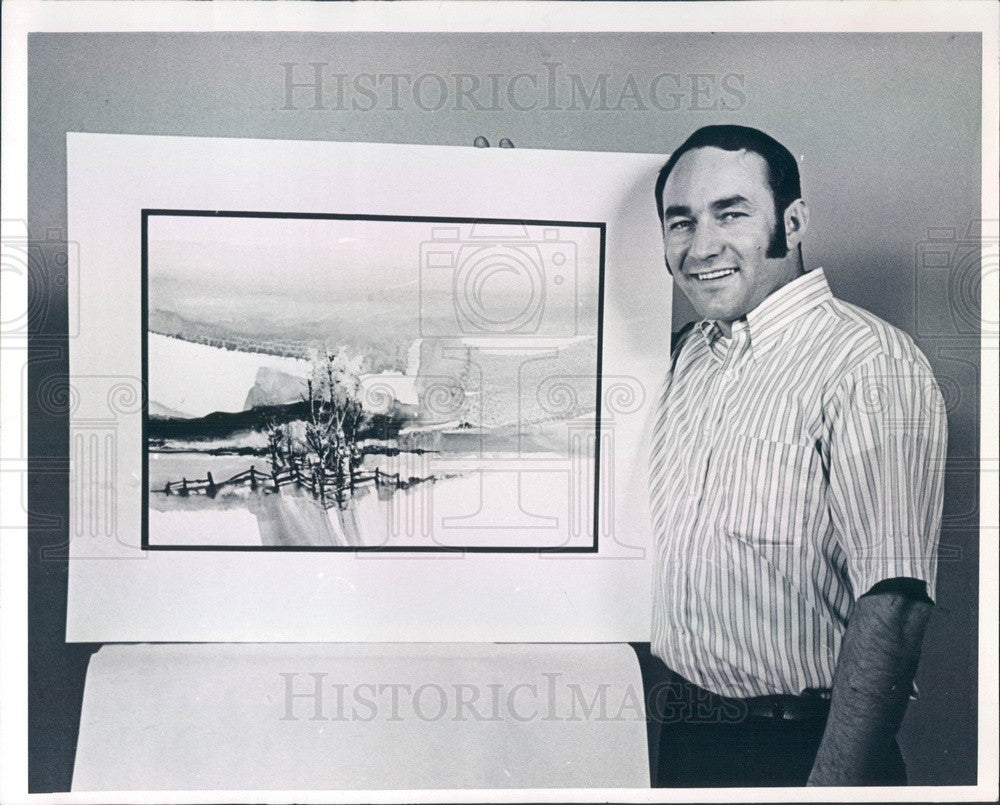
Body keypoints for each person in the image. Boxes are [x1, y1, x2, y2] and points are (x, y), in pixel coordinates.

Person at [647, 125, 947, 787]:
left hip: (801, 750)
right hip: (682, 741)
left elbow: (894, 605)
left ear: (793, 220)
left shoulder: (869, 363)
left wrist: (828, 790)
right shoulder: (680, 358)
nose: (701, 247)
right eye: (680, 222)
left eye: (731, 213)